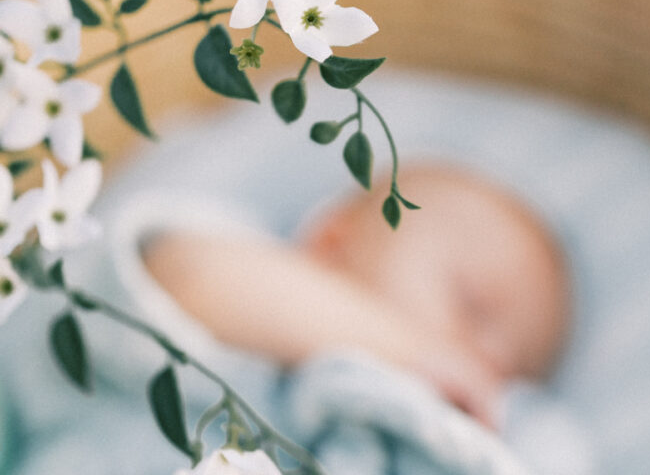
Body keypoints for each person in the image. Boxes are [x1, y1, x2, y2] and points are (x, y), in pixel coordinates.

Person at [143, 163, 571, 428]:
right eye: (471, 306)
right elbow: (186, 276)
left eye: (508, 373)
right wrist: (412, 349)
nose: (479, 365)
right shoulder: (243, 253)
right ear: (332, 242)